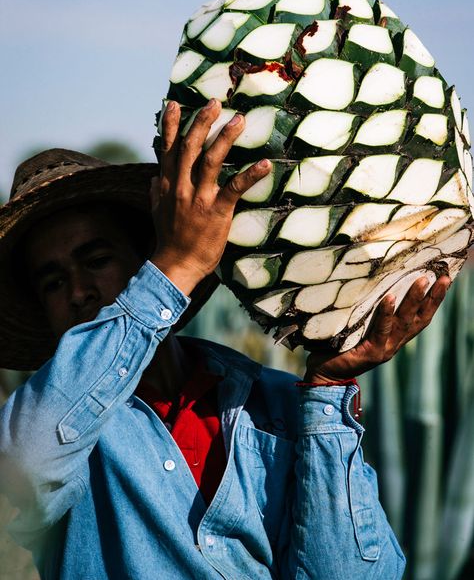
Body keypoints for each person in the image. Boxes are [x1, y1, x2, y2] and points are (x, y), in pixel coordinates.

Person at [0, 99, 449, 580]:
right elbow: (28, 464)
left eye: (96, 260)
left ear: (143, 257)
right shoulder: (55, 425)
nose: (78, 292)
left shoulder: (276, 404)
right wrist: (179, 265)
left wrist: (325, 393)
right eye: (52, 282)